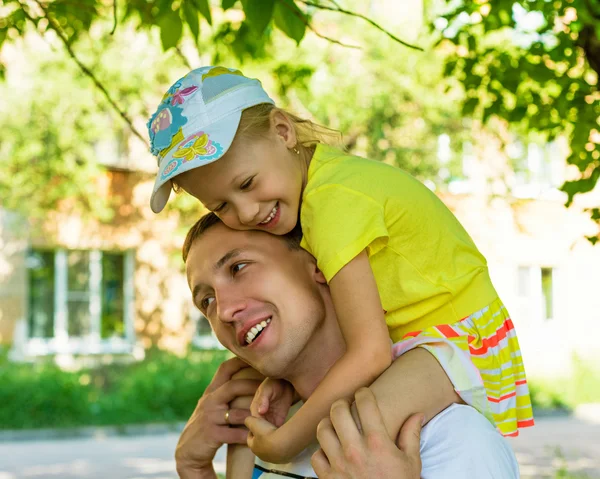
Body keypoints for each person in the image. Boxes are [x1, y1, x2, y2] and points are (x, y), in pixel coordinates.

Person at [147, 66, 533, 462]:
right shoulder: (321, 182)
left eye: (246, 184)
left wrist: (283, 444)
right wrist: (285, 382)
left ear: (283, 131)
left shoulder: (333, 202)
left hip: (455, 340)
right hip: (422, 339)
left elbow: (370, 353)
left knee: (342, 443)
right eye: (221, 206)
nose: (245, 212)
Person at [176, 213, 520, 478]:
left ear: (320, 264)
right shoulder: (263, 432)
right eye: (206, 301)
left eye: (239, 268)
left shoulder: (449, 436)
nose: (223, 310)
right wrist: (195, 470)